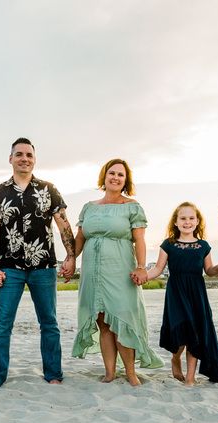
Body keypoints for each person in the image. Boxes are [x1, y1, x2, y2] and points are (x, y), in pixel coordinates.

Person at [0, 137, 75, 387]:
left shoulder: (49, 189)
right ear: (10, 159)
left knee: (49, 323)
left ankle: (53, 374)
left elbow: (63, 224)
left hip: (43, 266)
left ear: (34, 159)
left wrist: (71, 256)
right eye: (19, 154)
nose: (24, 158)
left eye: (29, 155)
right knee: (2, 324)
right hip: (9, 268)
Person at [72, 159, 163, 386]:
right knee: (103, 321)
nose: (115, 177)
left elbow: (139, 240)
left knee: (123, 319)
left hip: (120, 270)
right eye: (111, 173)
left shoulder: (132, 207)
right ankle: (110, 372)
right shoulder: (89, 207)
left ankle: (130, 373)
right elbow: (80, 238)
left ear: (125, 181)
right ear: (104, 176)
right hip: (92, 271)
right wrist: (70, 259)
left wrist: (141, 267)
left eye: (120, 175)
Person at [135, 202, 218, 386]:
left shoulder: (203, 246)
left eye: (191, 218)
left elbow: (209, 271)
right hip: (176, 293)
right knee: (180, 331)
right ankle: (175, 359)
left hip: (197, 294)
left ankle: (190, 377)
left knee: (194, 333)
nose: (187, 222)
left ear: (197, 222)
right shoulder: (168, 244)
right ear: (176, 222)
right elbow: (158, 269)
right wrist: (143, 276)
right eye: (183, 218)